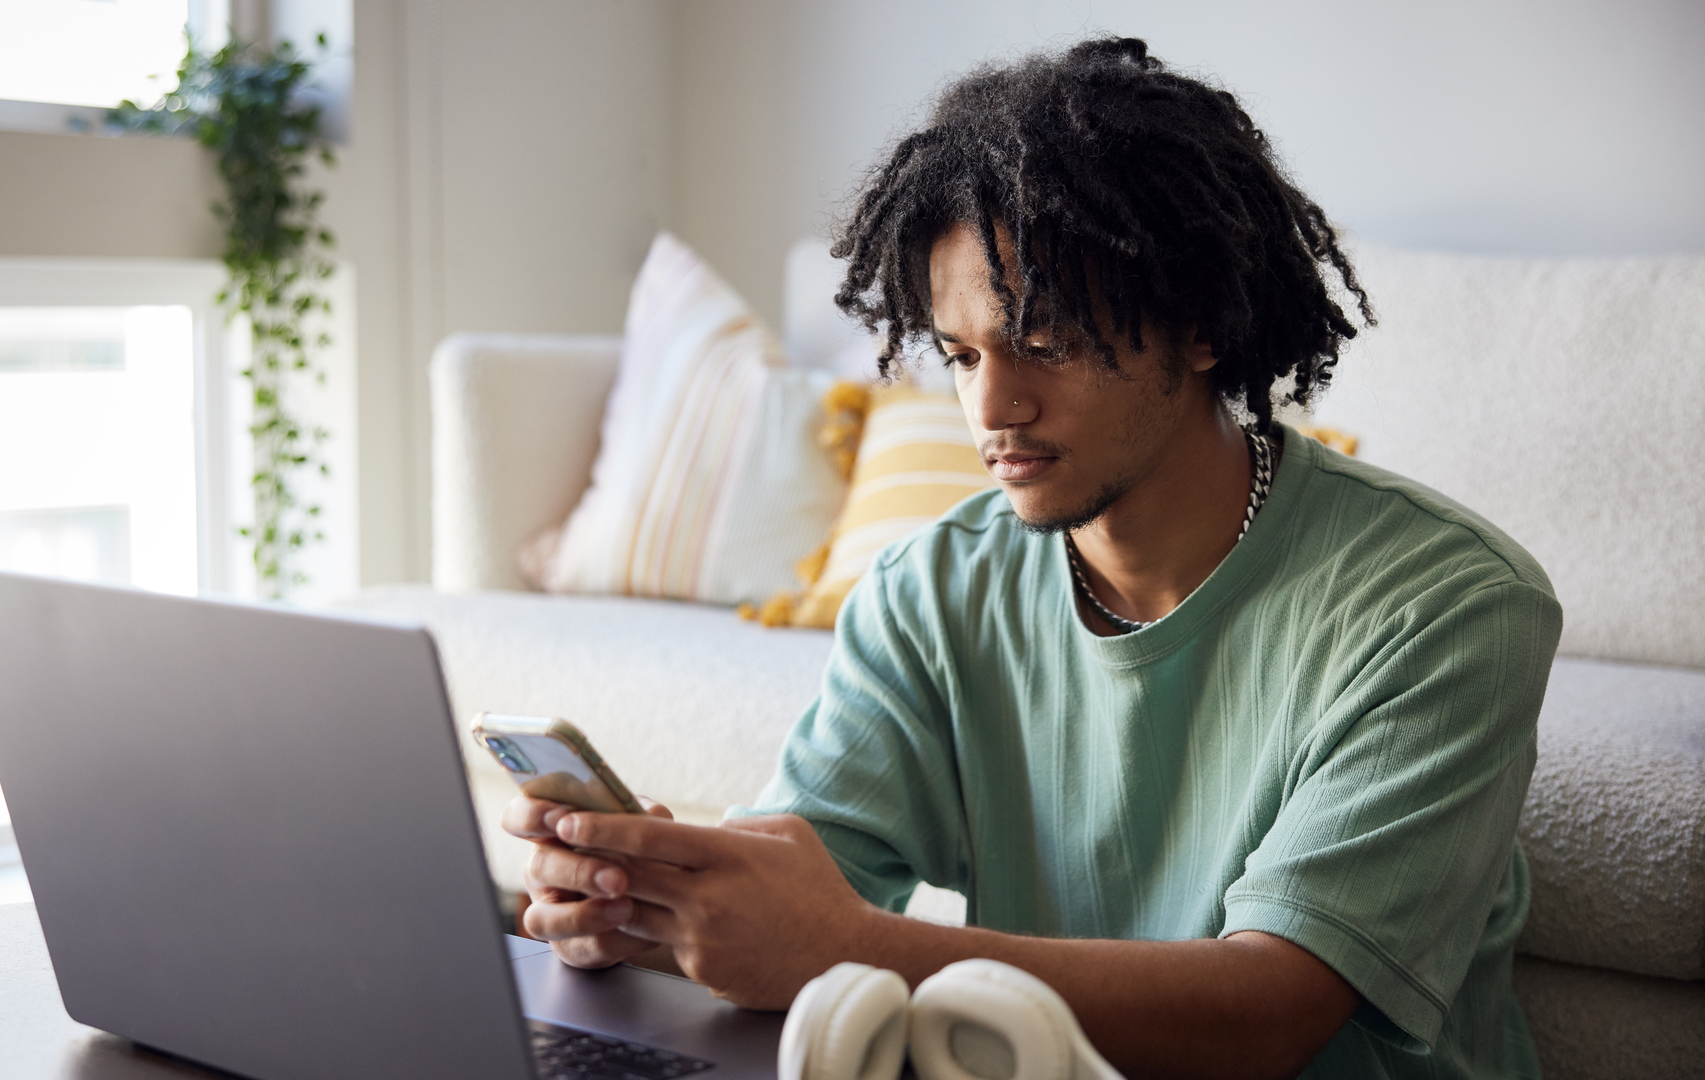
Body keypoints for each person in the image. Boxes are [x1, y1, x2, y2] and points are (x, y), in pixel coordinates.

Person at [504, 37, 1559, 1080]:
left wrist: (844, 946)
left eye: (1044, 343)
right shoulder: (931, 593)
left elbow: (1271, 1016)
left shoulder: (1450, 605)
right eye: (962, 356)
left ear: (1198, 327)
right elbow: (811, 877)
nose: (992, 410)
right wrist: (661, 905)